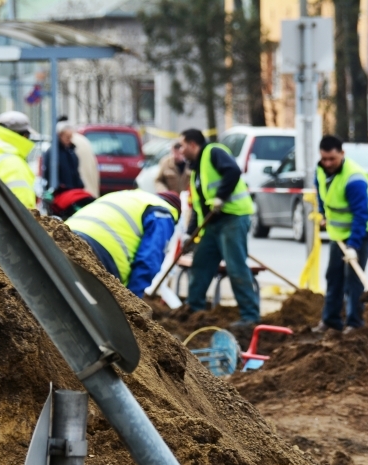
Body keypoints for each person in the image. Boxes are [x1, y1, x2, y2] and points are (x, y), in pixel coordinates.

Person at [180, 128, 259, 328]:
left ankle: (250, 316)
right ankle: (194, 308)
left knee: (236, 267)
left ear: (192, 144)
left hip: (232, 218)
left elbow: (233, 171)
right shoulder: (196, 170)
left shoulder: (213, 152)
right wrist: (190, 236)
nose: (180, 151)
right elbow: (199, 207)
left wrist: (221, 197)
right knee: (201, 264)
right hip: (212, 224)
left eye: (182, 145)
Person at [313, 135, 368, 333]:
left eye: (332, 159)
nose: (328, 163)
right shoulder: (320, 170)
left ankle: (354, 324)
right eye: (324, 158)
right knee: (333, 275)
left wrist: (353, 246)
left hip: (363, 231)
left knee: (353, 278)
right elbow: (321, 193)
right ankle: (331, 321)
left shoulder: (354, 179)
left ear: (342, 154)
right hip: (338, 232)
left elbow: (361, 215)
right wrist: (323, 214)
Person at [65, 189, 181, 298]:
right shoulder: (163, 213)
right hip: (100, 253)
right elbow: (149, 260)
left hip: (65, 235)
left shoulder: (129, 196)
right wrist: (131, 302)